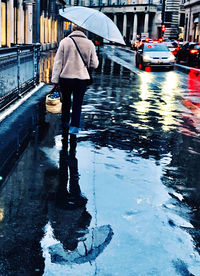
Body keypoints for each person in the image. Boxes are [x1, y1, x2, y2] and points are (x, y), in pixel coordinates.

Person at [51, 25, 99, 136]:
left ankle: (65, 123)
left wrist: (55, 80)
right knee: (78, 103)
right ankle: (74, 127)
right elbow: (95, 64)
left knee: (66, 102)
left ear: (73, 30)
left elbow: (58, 63)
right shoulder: (89, 43)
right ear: (84, 31)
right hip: (81, 79)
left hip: (66, 78)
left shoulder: (65, 42)